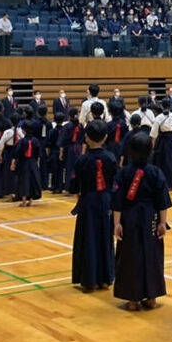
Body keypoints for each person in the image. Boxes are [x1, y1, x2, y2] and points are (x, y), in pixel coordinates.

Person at [112, 133, 172, 310]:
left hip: (129, 216)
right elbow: (162, 200)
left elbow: (117, 201)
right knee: (152, 254)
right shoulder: (155, 172)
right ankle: (151, 297)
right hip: (150, 217)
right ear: (150, 151)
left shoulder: (123, 173)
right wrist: (162, 222)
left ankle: (132, 299)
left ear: (129, 151)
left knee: (129, 255)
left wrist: (117, 223)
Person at [68, 120, 118, 292]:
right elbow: (115, 182)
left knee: (88, 238)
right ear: (105, 137)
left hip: (88, 201)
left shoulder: (81, 161)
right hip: (106, 201)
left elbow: (74, 186)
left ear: (87, 138)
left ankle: (90, 280)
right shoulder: (111, 158)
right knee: (105, 237)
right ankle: (105, 278)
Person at [11, 120, 44, 207]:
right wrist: (37, 162)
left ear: (23, 131)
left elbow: (17, 153)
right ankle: (30, 200)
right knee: (32, 181)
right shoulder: (36, 140)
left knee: (24, 181)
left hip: (24, 163)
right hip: (33, 162)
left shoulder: (22, 141)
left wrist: (13, 163)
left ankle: (24, 200)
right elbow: (38, 153)